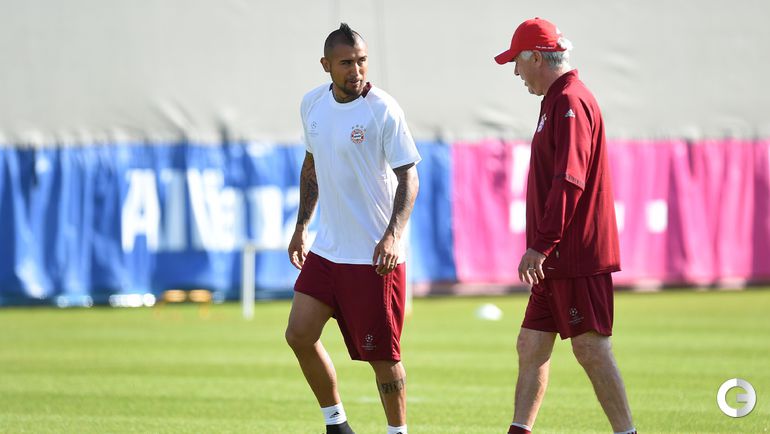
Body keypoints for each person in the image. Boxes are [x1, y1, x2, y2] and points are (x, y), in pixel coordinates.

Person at [493, 18, 637, 434]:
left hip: (574, 256)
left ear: (536, 58)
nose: (516, 72)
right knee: (530, 345)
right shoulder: (557, 100)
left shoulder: (570, 101)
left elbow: (570, 179)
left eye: (517, 62)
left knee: (590, 348)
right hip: (555, 260)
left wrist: (541, 244)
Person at [285, 23, 420, 434]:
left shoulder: (383, 109)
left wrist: (392, 236)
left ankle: (398, 432)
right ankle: (337, 425)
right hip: (328, 250)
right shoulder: (312, 104)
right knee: (299, 335)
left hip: (373, 257)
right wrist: (301, 226)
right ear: (326, 65)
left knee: (384, 359)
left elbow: (409, 177)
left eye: (361, 61)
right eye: (346, 63)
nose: (356, 70)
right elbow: (312, 166)